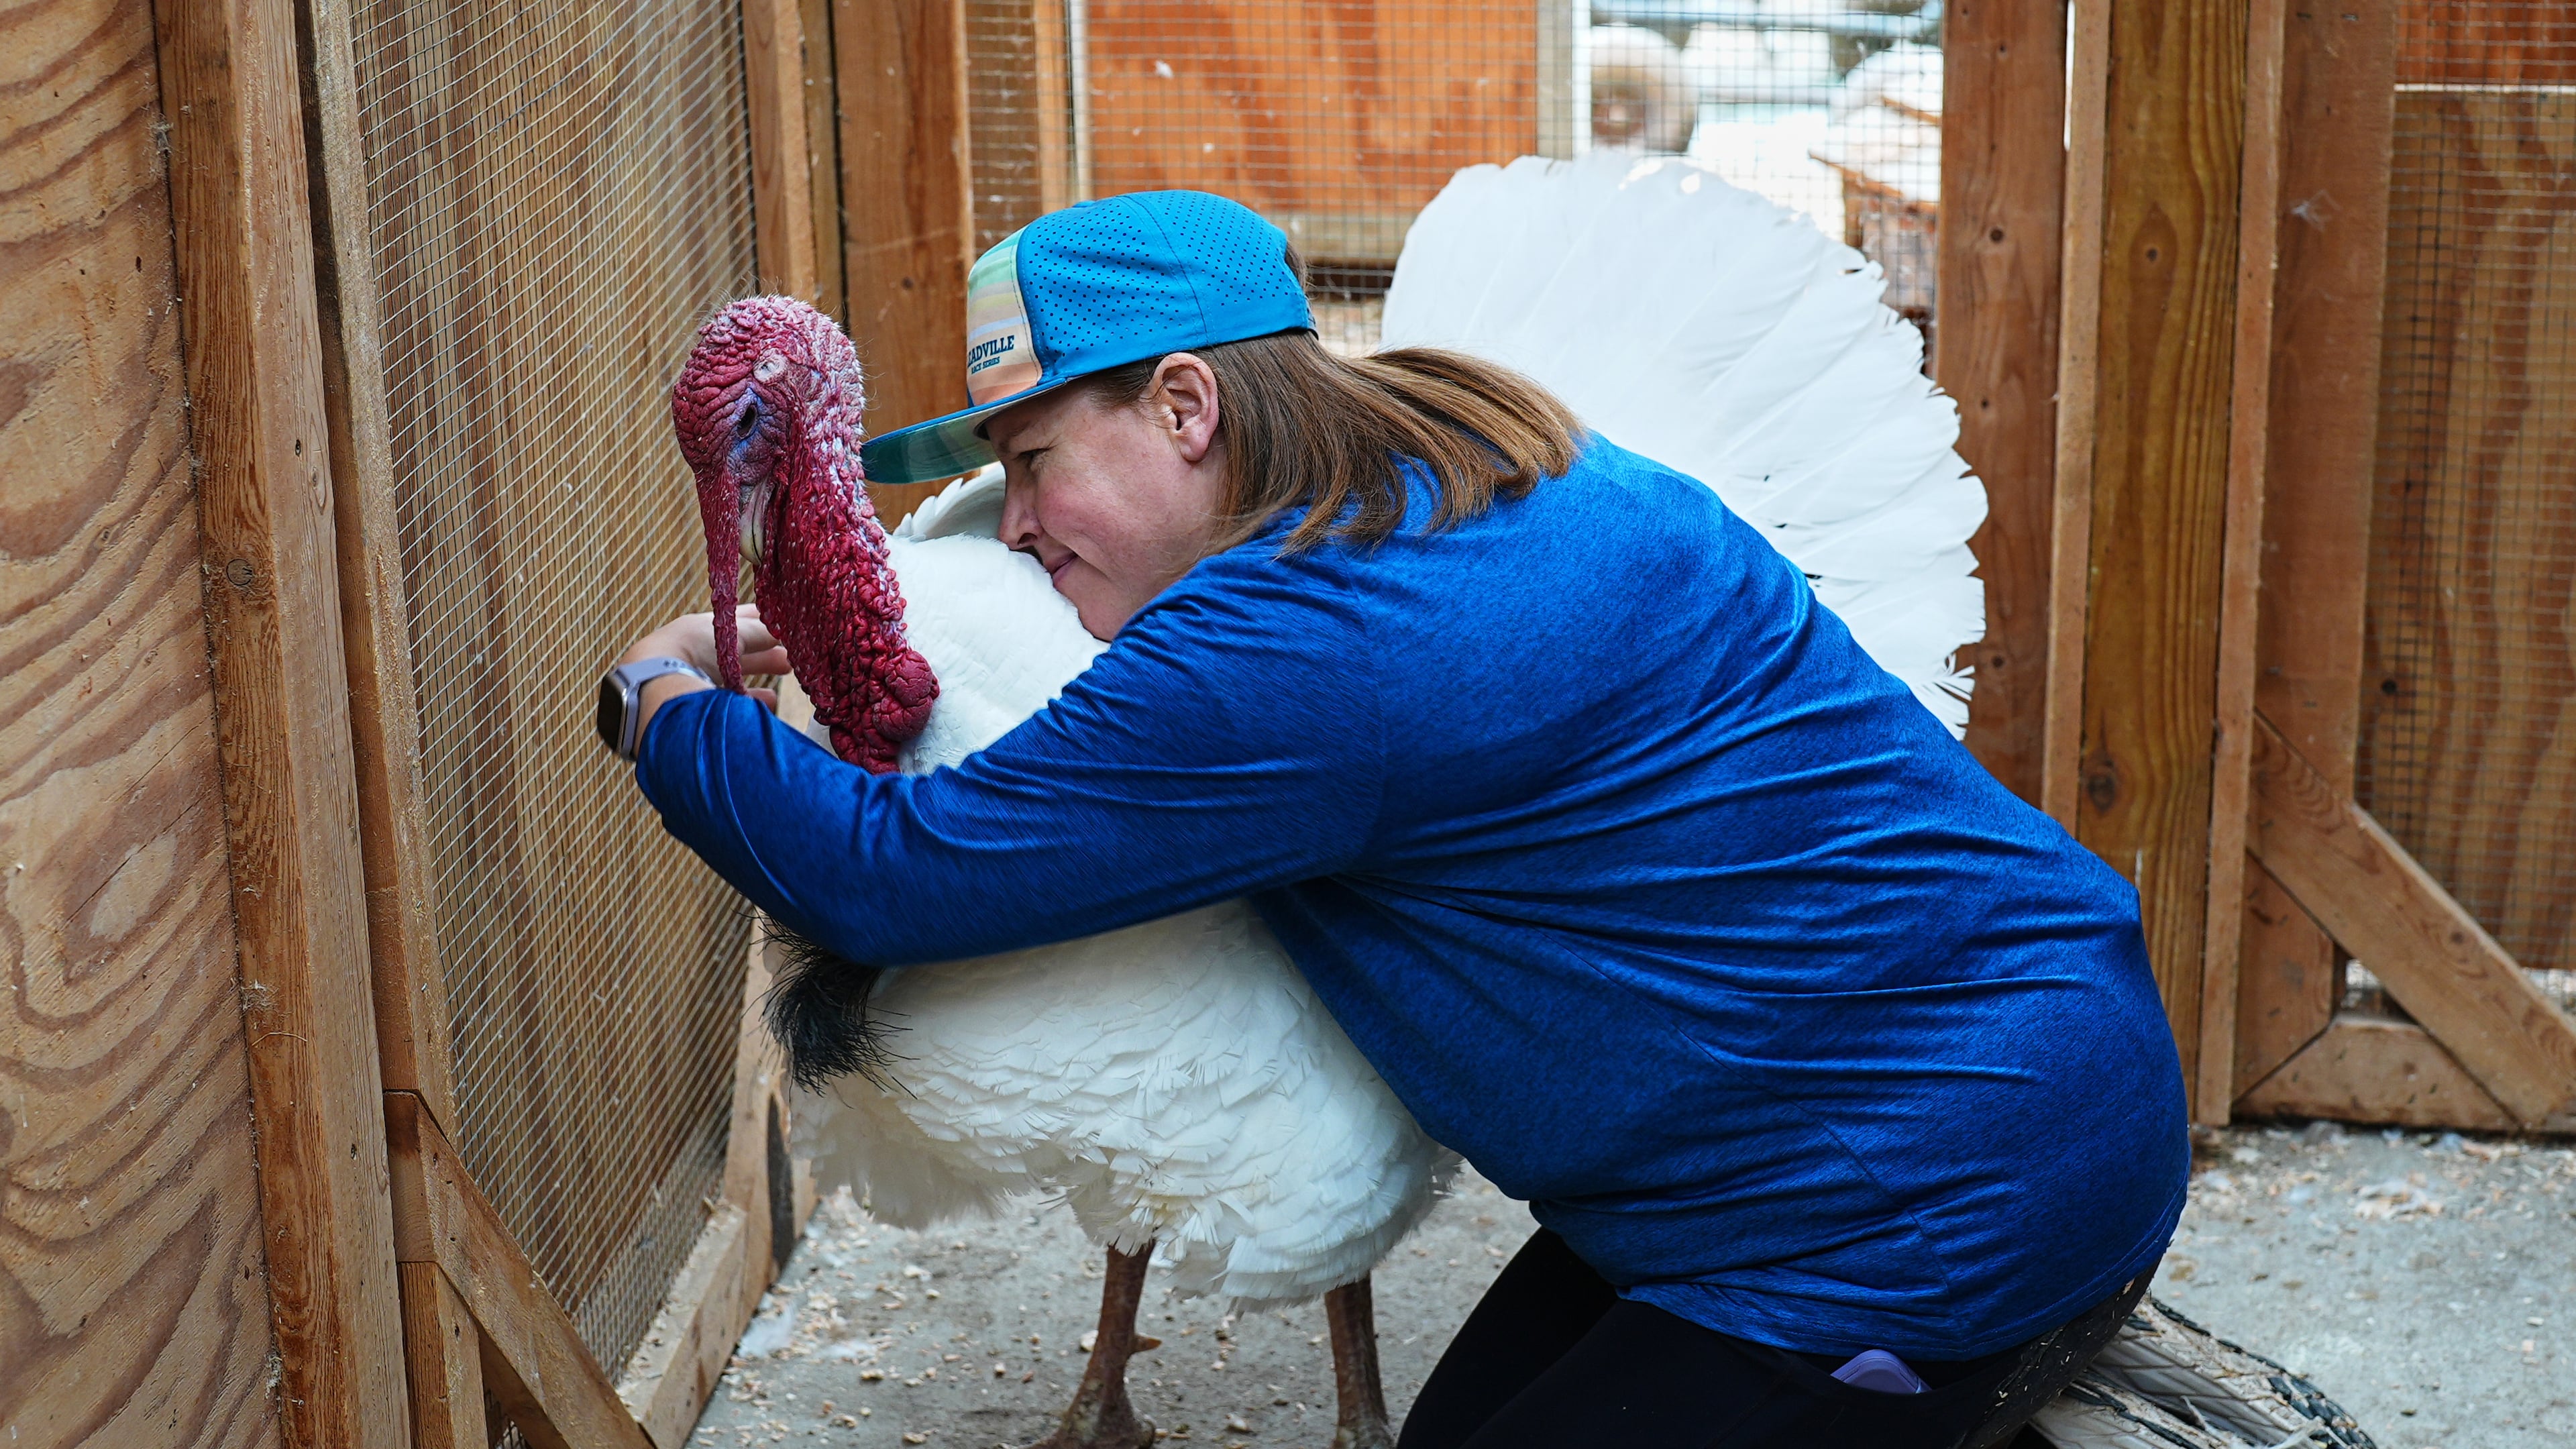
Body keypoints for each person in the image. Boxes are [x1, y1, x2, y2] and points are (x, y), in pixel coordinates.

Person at [610, 191, 2187, 1448]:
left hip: (1915, 1208)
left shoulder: (1296, 649)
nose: (1014, 523)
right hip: (2006, 1088)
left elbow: (891, 878)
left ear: (1183, 406)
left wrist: (664, 697)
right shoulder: (1511, 465)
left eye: (1033, 463)